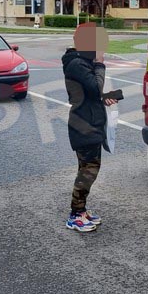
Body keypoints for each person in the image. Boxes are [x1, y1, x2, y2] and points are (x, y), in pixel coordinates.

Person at [62, 23, 118, 233]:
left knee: (87, 169)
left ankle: (81, 210)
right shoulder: (78, 63)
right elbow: (95, 87)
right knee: (88, 171)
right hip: (84, 124)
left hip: (89, 121)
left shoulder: (82, 62)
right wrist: (100, 64)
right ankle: (75, 215)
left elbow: (90, 92)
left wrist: (105, 97)